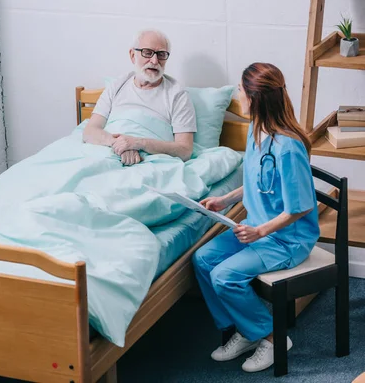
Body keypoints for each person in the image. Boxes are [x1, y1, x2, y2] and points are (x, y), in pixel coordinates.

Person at [192, 62, 320, 373]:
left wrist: (260, 232)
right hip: (257, 227)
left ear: (255, 98)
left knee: (225, 276)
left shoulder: (287, 148)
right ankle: (246, 330)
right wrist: (225, 200)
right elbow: (254, 182)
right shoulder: (255, 130)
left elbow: (299, 208)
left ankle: (272, 338)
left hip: (287, 239)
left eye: (240, 90)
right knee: (203, 259)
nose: (238, 94)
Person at [82, 29, 196, 165]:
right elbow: (90, 131)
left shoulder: (177, 94)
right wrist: (120, 145)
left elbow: (185, 150)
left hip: (151, 162)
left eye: (161, 54)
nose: (154, 61)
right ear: (132, 55)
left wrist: (138, 143)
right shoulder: (117, 85)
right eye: (147, 52)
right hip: (106, 154)